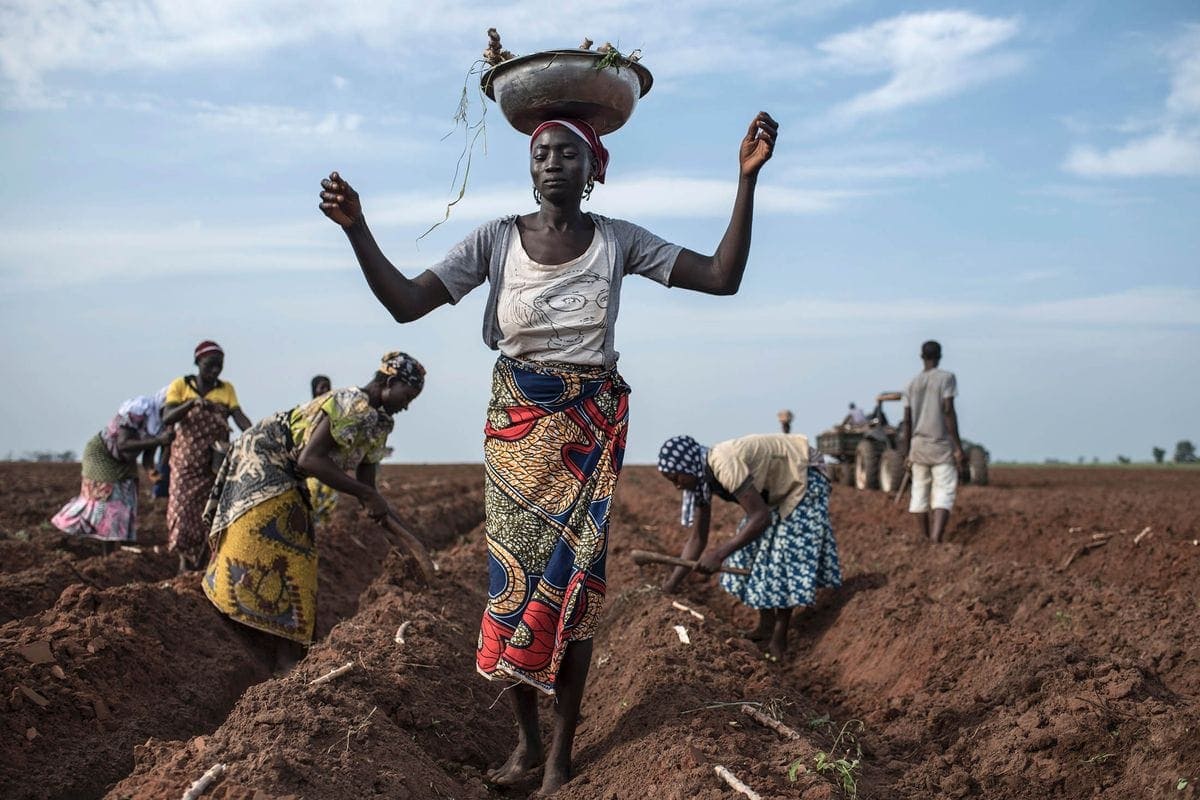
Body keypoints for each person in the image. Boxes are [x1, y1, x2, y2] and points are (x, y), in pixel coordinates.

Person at [320, 110, 778, 796]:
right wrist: (358, 229)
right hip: (515, 437)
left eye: (568, 154)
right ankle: (526, 743)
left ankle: (562, 755)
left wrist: (745, 182)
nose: (553, 164)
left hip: (587, 435)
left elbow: (720, 276)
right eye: (542, 155)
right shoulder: (496, 241)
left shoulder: (619, 240)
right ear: (530, 170)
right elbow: (408, 303)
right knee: (512, 594)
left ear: (594, 170)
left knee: (576, 597)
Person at [202, 352, 423, 646]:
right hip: (264, 456)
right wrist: (366, 495)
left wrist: (402, 541)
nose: (407, 406)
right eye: (407, 395)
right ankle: (236, 613)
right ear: (391, 382)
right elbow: (311, 460)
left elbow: (368, 488)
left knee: (298, 548)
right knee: (268, 540)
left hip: (290, 470)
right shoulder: (351, 405)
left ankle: (278, 638)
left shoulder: (379, 423)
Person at [657, 433, 841, 661]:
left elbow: (760, 517)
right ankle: (766, 625)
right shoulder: (701, 482)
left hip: (803, 473)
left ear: (687, 465)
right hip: (775, 489)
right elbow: (697, 539)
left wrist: (719, 554)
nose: (676, 485)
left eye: (675, 477)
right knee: (748, 552)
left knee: (785, 554)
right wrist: (670, 586)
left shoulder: (724, 464)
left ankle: (779, 638)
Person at [162, 341, 253, 572]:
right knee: (182, 512)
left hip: (214, 463)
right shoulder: (181, 385)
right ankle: (184, 565)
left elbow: (239, 417)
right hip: (186, 462)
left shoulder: (227, 389)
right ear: (198, 362)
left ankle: (203, 568)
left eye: (219, 365)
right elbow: (168, 417)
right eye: (210, 364)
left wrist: (255, 434)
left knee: (210, 514)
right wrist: (192, 403)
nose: (215, 370)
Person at [51, 390, 173, 551]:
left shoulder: (161, 425)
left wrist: (151, 470)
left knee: (127, 500)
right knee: (106, 501)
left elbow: (148, 453)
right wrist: (158, 441)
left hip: (124, 460)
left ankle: (122, 548)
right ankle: (90, 543)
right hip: (103, 454)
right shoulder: (138, 410)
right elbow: (123, 443)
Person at [899, 340, 965, 543]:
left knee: (919, 493)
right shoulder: (946, 379)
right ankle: (936, 539)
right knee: (943, 492)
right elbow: (948, 410)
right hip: (940, 446)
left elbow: (907, 421)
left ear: (922, 357)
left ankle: (925, 538)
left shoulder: (910, 384)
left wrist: (907, 451)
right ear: (940, 356)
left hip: (918, 447)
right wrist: (957, 445)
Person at [306, 374, 338, 525]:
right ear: (314, 390)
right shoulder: (308, 412)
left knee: (329, 500)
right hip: (311, 465)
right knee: (310, 499)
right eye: (321, 387)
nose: (325, 390)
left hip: (328, 463)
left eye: (328, 387)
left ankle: (324, 532)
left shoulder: (334, 413)